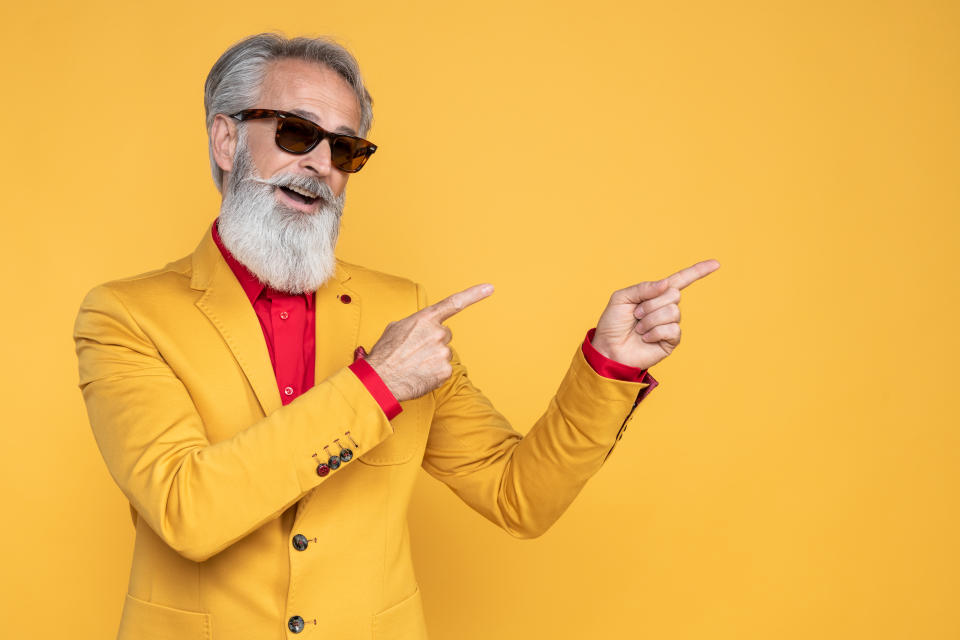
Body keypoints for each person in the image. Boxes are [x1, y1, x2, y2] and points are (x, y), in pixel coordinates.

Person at [74, 33, 719, 640]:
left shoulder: (399, 310)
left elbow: (518, 495)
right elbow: (186, 509)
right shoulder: (126, 316)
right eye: (298, 133)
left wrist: (607, 368)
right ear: (226, 139)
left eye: (346, 148)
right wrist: (375, 386)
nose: (322, 165)